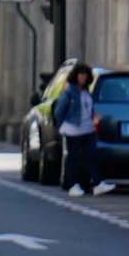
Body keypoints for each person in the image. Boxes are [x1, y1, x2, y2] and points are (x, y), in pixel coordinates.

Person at [54, 64, 114, 197]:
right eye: (80, 74)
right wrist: (61, 126)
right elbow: (59, 111)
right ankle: (73, 185)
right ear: (75, 76)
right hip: (73, 129)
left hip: (88, 128)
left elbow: (88, 109)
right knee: (73, 158)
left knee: (92, 156)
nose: (83, 77)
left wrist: (95, 117)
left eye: (85, 75)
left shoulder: (86, 92)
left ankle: (97, 184)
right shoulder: (69, 92)